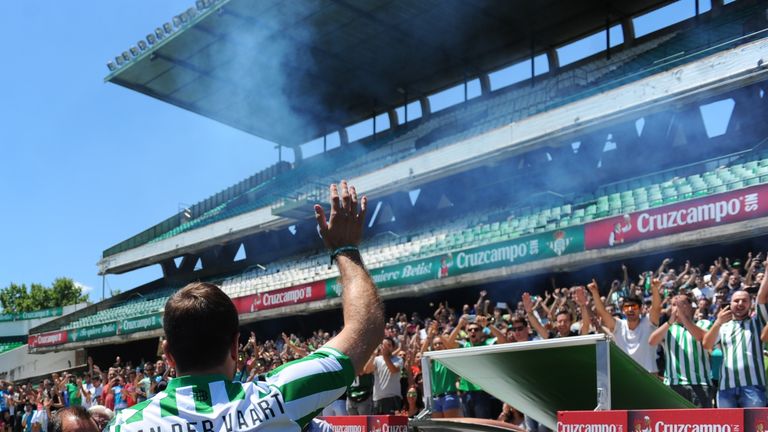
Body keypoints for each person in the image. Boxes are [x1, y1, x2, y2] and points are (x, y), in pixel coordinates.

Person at [108, 181, 384, 431]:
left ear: (167, 354)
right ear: (235, 347)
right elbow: (366, 330)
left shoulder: (126, 425)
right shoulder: (278, 399)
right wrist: (345, 249)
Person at [703, 264, 768, 408]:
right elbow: (707, 344)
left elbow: (762, 297)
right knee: (727, 427)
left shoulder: (758, 322)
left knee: (755, 428)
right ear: (730, 303)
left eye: (744, 301)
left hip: (753, 387)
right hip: (726, 388)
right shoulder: (723, 326)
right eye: (736, 301)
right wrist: (717, 322)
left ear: (751, 304)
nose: (740, 303)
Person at [648, 293, 712, 407]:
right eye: (674, 304)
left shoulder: (704, 323)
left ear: (691, 307)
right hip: (673, 384)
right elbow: (652, 341)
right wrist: (669, 322)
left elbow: (700, 337)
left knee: (701, 423)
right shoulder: (668, 328)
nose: (677, 307)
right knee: (673, 423)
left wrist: (683, 317)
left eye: (681, 304)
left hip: (700, 384)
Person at [588, 278, 661, 373]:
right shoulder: (618, 326)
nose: (630, 309)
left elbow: (656, 308)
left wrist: (655, 289)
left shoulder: (649, 322)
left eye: (634, 307)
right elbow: (602, 312)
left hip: (649, 377)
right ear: (623, 310)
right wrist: (594, 292)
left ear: (640, 309)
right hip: (626, 377)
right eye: (627, 307)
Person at [363, 337, 404, 414]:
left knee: (391, 425)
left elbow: (393, 370)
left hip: (392, 399)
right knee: (377, 426)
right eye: (383, 345)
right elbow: (367, 370)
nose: (385, 347)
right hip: (377, 400)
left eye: (388, 345)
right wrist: (373, 355)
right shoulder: (377, 359)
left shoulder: (398, 359)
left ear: (393, 348)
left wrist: (385, 356)